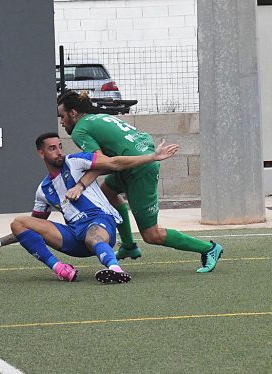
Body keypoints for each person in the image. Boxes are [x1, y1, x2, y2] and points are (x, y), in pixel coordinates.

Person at [0, 132, 179, 283]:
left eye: (60, 146)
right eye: (52, 148)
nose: (59, 152)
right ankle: (61, 269)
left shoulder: (76, 162)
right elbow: (32, 228)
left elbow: (114, 162)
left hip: (101, 223)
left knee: (92, 235)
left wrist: (152, 157)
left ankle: (115, 269)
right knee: (19, 222)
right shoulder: (43, 190)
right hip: (74, 236)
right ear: (40, 153)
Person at [57, 91, 223, 273]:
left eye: (62, 116)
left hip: (140, 170)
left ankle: (209, 248)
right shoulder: (100, 117)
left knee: (151, 235)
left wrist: (80, 185)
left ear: (73, 113)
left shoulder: (80, 129)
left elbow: (100, 160)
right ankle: (128, 246)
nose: (61, 122)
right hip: (134, 164)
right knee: (106, 193)